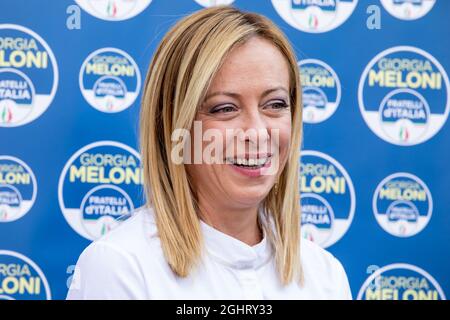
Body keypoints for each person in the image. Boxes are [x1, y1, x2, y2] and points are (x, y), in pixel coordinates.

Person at [66, 5, 352, 300]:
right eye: (225, 108)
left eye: (275, 104)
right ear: (174, 126)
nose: (256, 132)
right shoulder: (121, 266)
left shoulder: (325, 275)